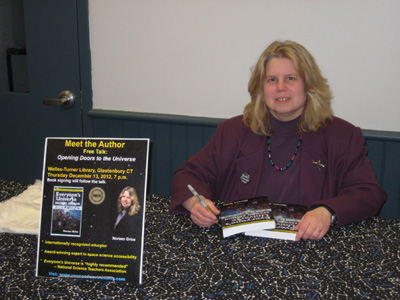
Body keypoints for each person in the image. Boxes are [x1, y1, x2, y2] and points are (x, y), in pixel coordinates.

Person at [169, 40, 386, 241]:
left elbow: (369, 193)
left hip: (309, 249)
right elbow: (188, 176)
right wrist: (195, 203)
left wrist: (328, 212)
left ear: (308, 85)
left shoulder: (341, 135)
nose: (280, 87)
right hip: (240, 248)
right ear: (261, 89)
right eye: (272, 80)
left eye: (290, 78)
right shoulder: (234, 131)